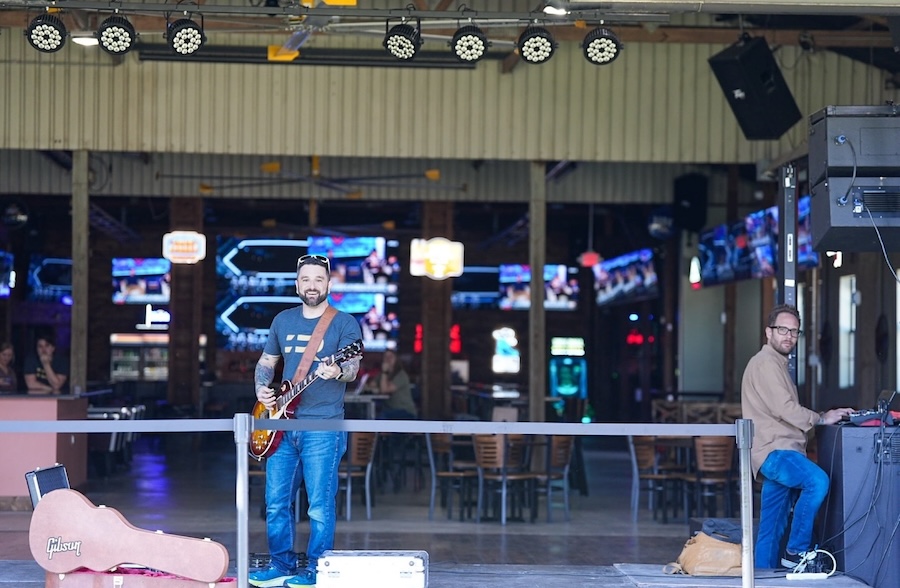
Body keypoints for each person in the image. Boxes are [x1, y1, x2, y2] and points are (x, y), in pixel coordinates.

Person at [249, 254, 362, 588]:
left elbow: (352, 368)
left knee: (319, 506)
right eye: (306, 280)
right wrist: (261, 389)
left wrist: (337, 370)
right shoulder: (283, 321)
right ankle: (281, 565)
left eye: (318, 279)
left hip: (323, 427)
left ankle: (316, 569)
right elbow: (267, 362)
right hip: (281, 424)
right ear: (297, 284)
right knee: (275, 503)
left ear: (329, 284)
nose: (312, 285)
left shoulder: (344, 324)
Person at [741, 304, 854, 570]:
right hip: (776, 451)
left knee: (771, 527)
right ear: (768, 332)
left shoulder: (776, 364)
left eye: (794, 331)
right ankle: (796, 552)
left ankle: (762, 578)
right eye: (783, 330)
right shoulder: (766, 363)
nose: (789, 336)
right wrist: (823, 417)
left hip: (775, 451)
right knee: (817, 481)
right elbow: (785, 409)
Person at [378, 349, 417, 420]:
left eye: (391, 357)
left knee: (381, 418)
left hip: (405, 411)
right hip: (390, 409)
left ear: (396, 359)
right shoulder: (385, 375)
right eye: (386, 357)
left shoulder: (401, 375)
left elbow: (384, 390)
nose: (388, 359)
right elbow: (371, 384)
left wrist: (384, 372)